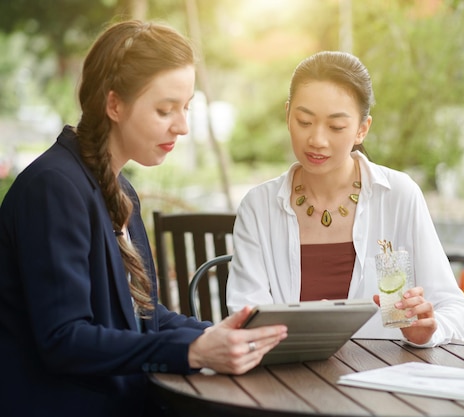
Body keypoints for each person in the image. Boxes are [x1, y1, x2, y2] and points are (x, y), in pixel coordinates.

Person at [0, 20, 287, 417]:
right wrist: (189, 351)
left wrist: (216, 334)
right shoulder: (54, 188)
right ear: (114, 104)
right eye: (165, 110)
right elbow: (64, 340)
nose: (182, 126)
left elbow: (145, 316)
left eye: (185, 108)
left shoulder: (118, 189)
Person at [226, 51, 464, 347]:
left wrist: (429, 330)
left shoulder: (397, 195)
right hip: (286, 381)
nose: (317, 139)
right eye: (304, 121)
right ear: (287, 115)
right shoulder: (259, 207)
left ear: (362, 129)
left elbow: (456, 309)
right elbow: (246, 314)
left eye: (336, 127)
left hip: (380, 382)